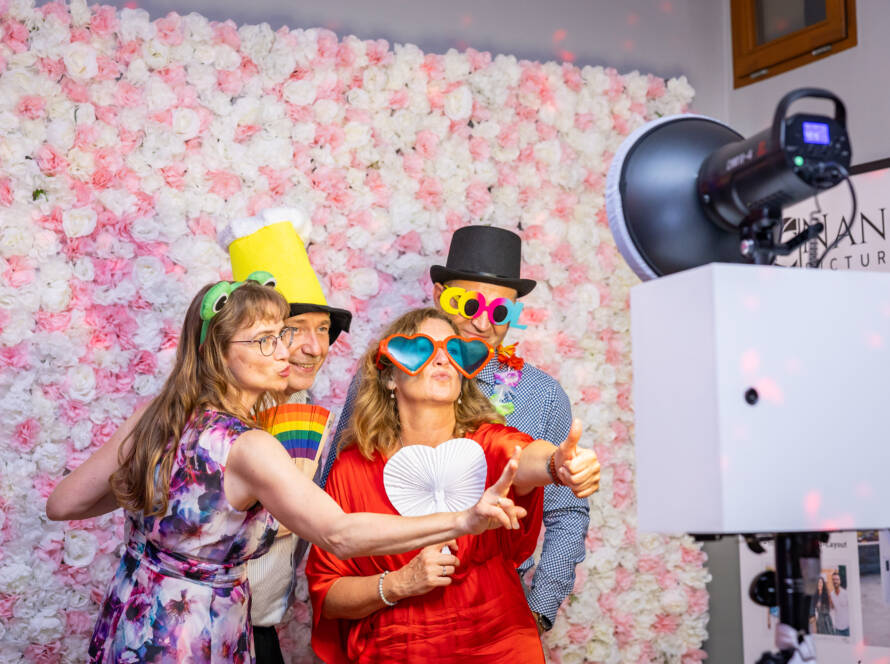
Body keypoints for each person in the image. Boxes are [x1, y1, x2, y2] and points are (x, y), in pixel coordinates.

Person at [45, 278, 529, 662]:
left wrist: (165, 504)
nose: (285, 351)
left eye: (282, 335)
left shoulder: (157, 418)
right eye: (264, 341)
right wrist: (464, 521)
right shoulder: (249, 446)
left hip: (131, 617)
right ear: (219, 352)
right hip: (196, 635)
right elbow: (338, 533)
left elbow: (65, 503)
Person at [322, 224, 590, 633]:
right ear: (439, 297)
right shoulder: (389, 373)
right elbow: (336, 490)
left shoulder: (541, 395)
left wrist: (539, 607)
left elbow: (565, 511)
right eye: (467, 303)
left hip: (496, 612)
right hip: (392, 607)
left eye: (500, 311)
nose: (482, 323)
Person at [307, 308, 601, 663]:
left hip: (502, 644)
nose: (442, 357)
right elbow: (330, 592)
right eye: (422, 349)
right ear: (389, 378)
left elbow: (523, 459)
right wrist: (400, 583)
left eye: (454, 350)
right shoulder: (353, 469)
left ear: (464, 376)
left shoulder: (491, 444)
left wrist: (559, 465)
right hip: (397, 652)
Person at [223, 209, 354, 663]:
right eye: (295, 329)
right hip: (208, 626)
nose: (315, 347)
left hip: (259, 631)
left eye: (323, 330)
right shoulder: (216, 417)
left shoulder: (310, 410)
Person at [830, 570, 850, 636]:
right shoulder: (831, 595)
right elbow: (833, 609)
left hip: (848, 628)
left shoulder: (846, 593)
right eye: (833, 579)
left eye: (837, 579)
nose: (835, 581)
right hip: (837, 629)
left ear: (840, 581)